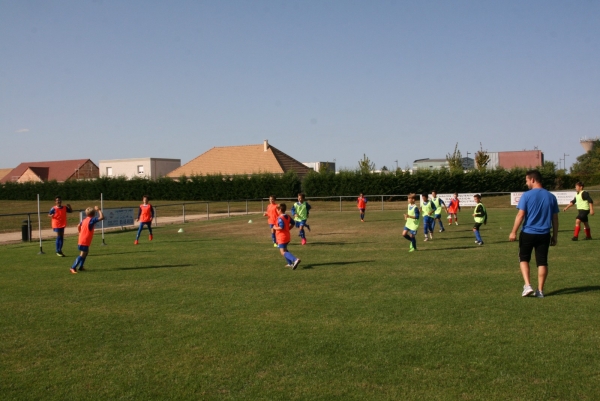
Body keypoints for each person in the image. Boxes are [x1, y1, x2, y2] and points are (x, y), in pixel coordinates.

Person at [509, 170, 559, 298]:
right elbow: (555, 218)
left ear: (532, 180)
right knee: (542, 261)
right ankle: (540, 291)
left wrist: (513, 231)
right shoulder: (551, 197)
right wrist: (555, 236)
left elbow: (520, 215)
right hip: (545, 234)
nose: (526, 183)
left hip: (528, 233)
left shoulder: (526, 195)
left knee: (524, 258)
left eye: (526, 180)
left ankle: (527, 285)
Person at [70, 206, 104, 274]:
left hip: (82, 239)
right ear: (94, 214)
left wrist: (80, 232)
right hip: (84, 240)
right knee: (82, 254)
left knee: (86, 252)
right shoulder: (91, 220)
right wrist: (99, 210)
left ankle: (81, 267)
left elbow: (78, 225)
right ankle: (73, 267)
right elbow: (102, 217)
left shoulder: (85, 220)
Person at [274, 203, 301, 270]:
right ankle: (290, 263)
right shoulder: (287, 216)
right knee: (285, 250)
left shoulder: (280, 218)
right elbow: (293, 223)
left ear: (280, 210)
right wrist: (288, 228)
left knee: (282, 252)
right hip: (287, 236)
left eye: (277, 210)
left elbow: (281, 227)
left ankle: (295, 260)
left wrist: (275, 228)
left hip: (282, 237)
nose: (277, 211)